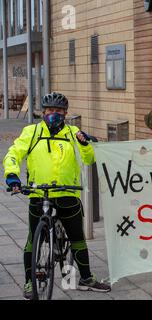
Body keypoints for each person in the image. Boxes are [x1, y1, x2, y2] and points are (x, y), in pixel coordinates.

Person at [3, 92, 111, 300]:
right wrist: (12, 177)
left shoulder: (72, 132)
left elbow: (88, 159)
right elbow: (13, 154)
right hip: (39, 193)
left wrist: (86, 144)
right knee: (32, 241)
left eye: (59, 111)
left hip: (68, 192)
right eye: (50, 110)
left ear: (65, 113)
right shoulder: (31, 132)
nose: (54, 114)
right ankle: (29, 281)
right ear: (43, 112)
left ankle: (86, 278)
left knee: (77, 238)